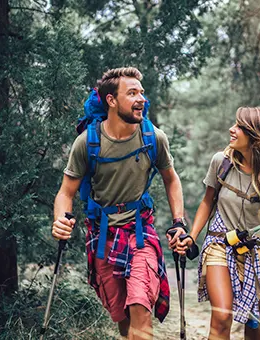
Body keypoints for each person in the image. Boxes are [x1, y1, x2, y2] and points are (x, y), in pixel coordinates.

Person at [51, 67, 187, 340]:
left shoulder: (153, 138)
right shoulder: (87, 143)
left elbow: (171, 180)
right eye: (132, 93)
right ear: (111, 100)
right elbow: (66, 192)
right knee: (122, 319)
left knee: (140, 307)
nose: (141, 99)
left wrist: (179, 223)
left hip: (140, 232)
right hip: (102, 234)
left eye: (142, 93)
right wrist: (60, 221)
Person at [176, 107, 260, 340]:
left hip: (258, 250)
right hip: (220, 243)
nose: (232, 130)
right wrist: (191, 236)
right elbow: (207, 202)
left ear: (256, 135)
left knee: (253, 321)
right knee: (222, 316)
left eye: (239, 127)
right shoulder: (221, 162)